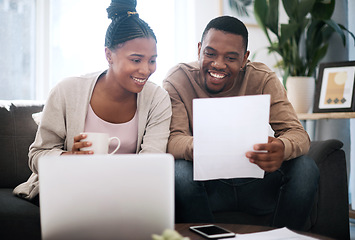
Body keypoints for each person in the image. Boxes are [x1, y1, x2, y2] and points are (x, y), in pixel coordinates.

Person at [163, 16, 319, 231]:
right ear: (199, 49)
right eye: (210, 53)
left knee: (305, 167)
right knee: (179, 171)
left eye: (230, 57)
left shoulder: (262, 78)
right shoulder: (178, 80)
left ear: (245, 58)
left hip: (256, 181)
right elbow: (174, 140)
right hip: (207, 185)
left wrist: (282, 148)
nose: (218, 64)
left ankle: (282, 237)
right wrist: (204, 146)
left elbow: (297, 133)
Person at [13, 0, 172, 205]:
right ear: (109, 55)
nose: (146, 70)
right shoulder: (67, 91)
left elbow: (153, 165)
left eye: (152, 60)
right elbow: (37, 155)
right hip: (72, 187)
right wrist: (69, 158)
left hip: (129, 192)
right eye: (136, 60)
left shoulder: (157, 99)